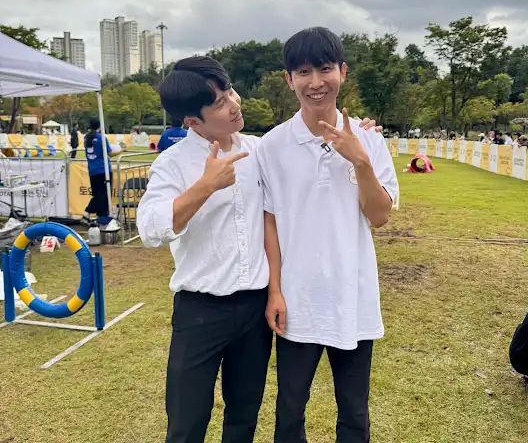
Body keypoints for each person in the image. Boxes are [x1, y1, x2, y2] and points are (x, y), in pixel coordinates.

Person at [136, 56, 381, 443]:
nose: (234, 104)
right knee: (187, 421)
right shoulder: (174, 163)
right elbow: (150, 230)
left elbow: (294, 175)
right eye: (220, 103)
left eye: (230, 91)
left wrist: (363, 134)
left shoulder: (258, 150)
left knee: (244, 415)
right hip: (201, 311)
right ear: (193, 120)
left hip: (254, 310)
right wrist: (204, 187)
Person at [256, 27, 399, 442]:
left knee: (354, 410)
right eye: (303, 72)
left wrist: (361, 161)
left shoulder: (369, 140)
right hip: (297, 300)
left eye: (324, 69)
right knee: (289, 409)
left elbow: (379, 217)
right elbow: (270, 222)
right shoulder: (272, 146)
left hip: (353, 296)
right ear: (289, 79)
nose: (315, 82)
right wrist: (275, 291)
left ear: (343, 72)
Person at [82, 118, 118, 226]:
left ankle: (91, 215)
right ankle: (94, 215)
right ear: (100, 126)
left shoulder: (86, 138)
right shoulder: (101, 138)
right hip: (103, 170)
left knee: (98, 195)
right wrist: (121, 150)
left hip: (92, 170)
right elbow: (110, 153)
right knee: (103, 196)